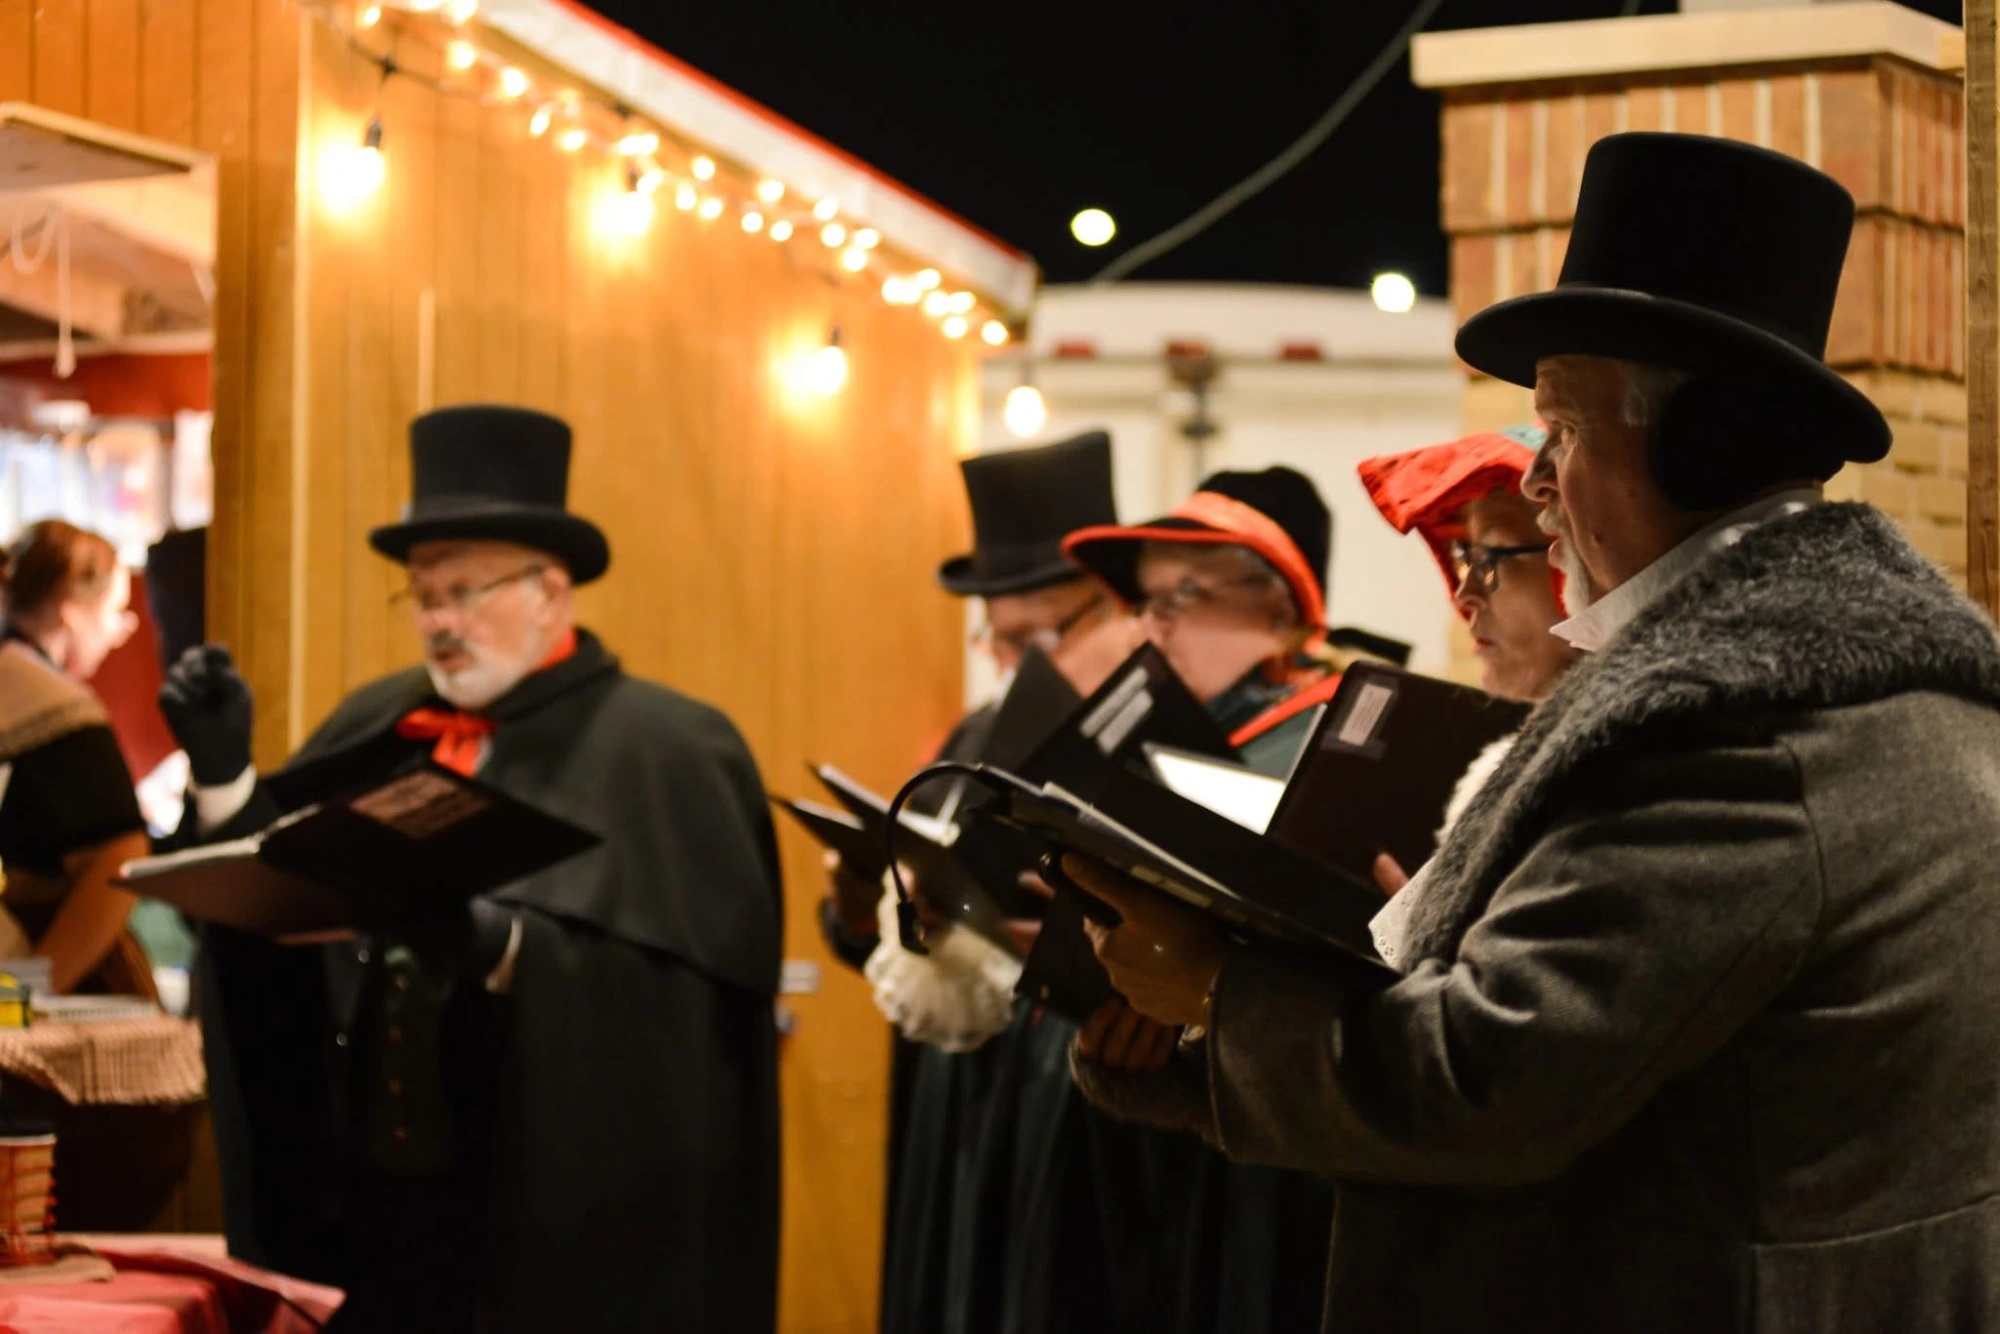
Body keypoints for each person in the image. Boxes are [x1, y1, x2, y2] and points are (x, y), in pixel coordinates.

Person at [1062, 131, 2000, 1332]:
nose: (1539, 481)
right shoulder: (1825, 690)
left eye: (1560, 430)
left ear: (1698, 441)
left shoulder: (1740, 736)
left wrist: (1218, 985)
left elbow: (1480, 1080)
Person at [159, 406, 783, 1332]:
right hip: (378, 1218)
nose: (439, 622)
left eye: (465, 591)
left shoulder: (670, 751)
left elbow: (686, 1034)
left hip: (558, 1231)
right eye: (422, 595)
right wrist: (225, 783)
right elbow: (274, 910)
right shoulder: (381, 723)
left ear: (551, 590)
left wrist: (502, 946)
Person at [855, 430, 1144, 1334]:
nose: (1006, 662)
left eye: (1033, 637)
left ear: (1113, 611)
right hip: (966, 1102)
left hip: (1077, 1103)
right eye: (997, 637)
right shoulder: (975, 733)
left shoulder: (1149, 738)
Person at [0, 518, 151, 997]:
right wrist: (26, 995)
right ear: (72, 613)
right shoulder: (56, 707)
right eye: (116, 611)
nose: (122, 631)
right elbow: (121, 856)